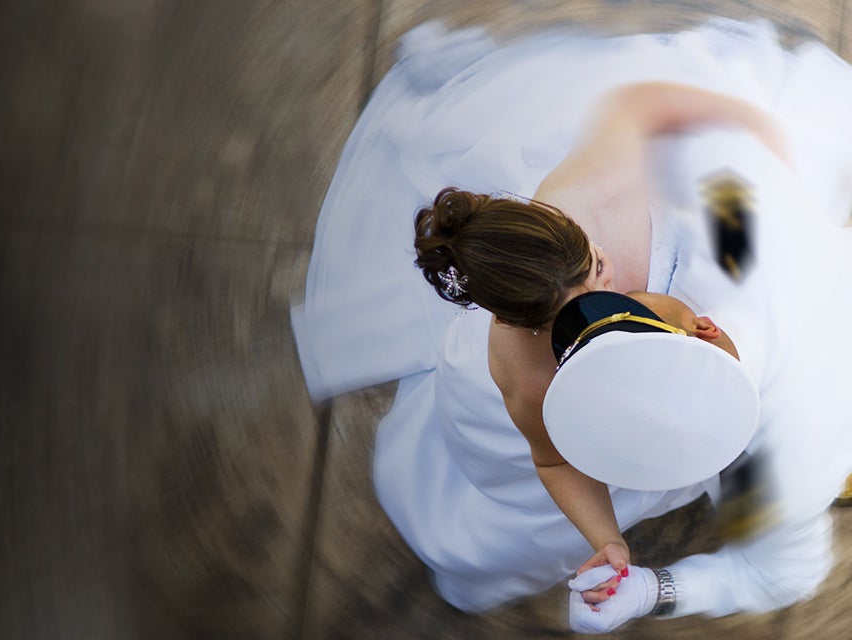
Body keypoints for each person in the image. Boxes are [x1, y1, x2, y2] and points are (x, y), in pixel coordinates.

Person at [290, 18, 852, 630]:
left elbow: (653, 108)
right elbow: (555, 461)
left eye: (596, 270)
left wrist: (755, 135)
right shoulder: (529, 368)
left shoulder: (726, 209)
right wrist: (608, 538)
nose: (606, 281)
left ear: (701, 328)